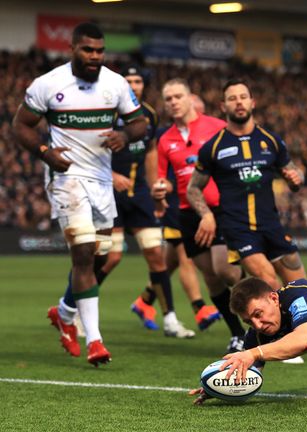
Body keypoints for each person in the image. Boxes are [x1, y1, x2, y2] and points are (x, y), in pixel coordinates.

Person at [12, 22, 146, 365]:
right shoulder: (49, 85)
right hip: (67, 178)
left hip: (102, 181)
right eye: (88, 50)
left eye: (99, 51)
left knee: (101, 257)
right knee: (84, 254)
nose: (94, 56)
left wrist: (126, 137)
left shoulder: (114, 84)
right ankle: (96, 341)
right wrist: (45, 152)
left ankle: (65, 310)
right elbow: (20, 125)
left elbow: (140, 122)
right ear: (72, 48)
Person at [96, 65, 195, 338]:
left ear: (144, 85)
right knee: (112, 257)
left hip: (140, 195)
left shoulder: (149, 115)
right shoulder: (105, 113)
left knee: (156, 256)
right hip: (108, 192)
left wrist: (155, 190)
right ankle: (79, 310)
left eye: (137, 80)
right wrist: (112, 175)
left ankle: (171, 320)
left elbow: (151, 154)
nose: (133, 84)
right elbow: (90, 152)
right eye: (128, 80)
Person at [153, 78, 247, 353]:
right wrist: (162, 188)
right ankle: (238, 334)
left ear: (190, 97)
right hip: (187, 213)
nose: (173, 102)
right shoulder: (165, 139)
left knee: (224, 269)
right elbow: (165, 178)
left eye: (178, 96)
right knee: (211, 277)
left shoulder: (217, 127)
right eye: (168, 98)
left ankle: (266, 312)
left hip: (220, 209)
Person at [187, 78, 306, 292]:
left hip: (271, 224)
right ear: (224, 106)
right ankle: (278, 324)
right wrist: (206, 214)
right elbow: (193, 188)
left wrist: (296, 179)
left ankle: (298, 324)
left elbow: (294, 173)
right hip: (238, 228)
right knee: (269, 283)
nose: (238, 102)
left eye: (243, 97)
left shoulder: (271, 140)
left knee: (303, 287)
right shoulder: (213, 147)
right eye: (232, 99)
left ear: (253, 102)